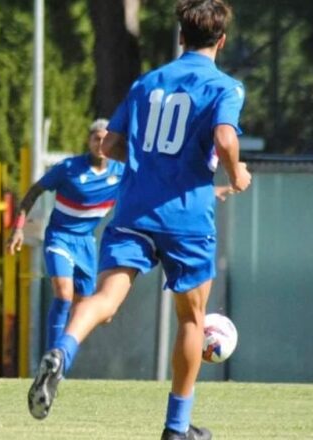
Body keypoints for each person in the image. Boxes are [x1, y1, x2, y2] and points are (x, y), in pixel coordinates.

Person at [26, 1, 251, 439]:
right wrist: (237, 171)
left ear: (181, 37)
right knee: (191, 318)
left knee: (108, 298)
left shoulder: (147, 82)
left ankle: (62, 353)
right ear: (221, 41)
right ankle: (176, 428)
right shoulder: (226, 87)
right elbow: (225, 138)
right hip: (186, 215)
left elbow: (109, 144)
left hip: (132, 210)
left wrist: (149, 164)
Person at [7, 119, 124, 358]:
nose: (101, 143)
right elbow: (33, 192)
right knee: (63, 294)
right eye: (96, 138)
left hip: (87, 244)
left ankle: (62, 360)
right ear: (89, 141)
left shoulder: (121, 171)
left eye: (105, 138)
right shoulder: (68, 168)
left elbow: (154, 185)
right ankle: (51, 358)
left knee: (89, 310)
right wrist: (18, 228)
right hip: (59, 237)